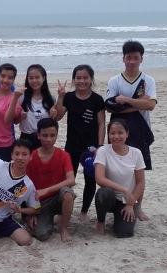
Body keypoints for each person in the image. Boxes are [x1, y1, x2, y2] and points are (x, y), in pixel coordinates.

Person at [106, 40, 157, 221]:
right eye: (129, 58)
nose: (132, 61)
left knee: (138, 172)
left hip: (141, 130)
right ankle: (114, 204)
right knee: (114, 168)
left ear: (141, 59)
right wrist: (138, 102)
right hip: (117, 131)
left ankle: (138, 207)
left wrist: (125, 100)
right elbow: (111, 107)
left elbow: (150, 105)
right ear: (123, 58)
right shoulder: (115, 80)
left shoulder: (148, 80)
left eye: (136, 58)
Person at [56, 64, 105, 222]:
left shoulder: (97, 99)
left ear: (91, 79)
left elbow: (101, 124)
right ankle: (65, 209)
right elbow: (57, 116)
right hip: (72, 146)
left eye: (85, 78)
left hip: (90, 148)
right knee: (68, 179)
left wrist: (99, 147)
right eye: (78, 78)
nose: (82, 81)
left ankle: (84, 211)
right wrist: (61, 96)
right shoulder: (69, 97)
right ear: (73, 79)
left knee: (90, 180)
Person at [26, 118, 76, 242]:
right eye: (45, 135)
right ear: (38, 135)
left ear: (57, 136)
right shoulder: (31, 157)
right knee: (42, 234)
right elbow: (26, 186)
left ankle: (64, 228)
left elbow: (71, 180)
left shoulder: (64, 155)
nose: (48, 139)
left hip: (57, 197)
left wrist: (46, 190)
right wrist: (31, 213)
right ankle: (49, 219)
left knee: (68, 193)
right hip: (40, 203)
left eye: (52, 135)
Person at [94, 119, 146, 237]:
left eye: (120, 133)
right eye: (112, 133)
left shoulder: (136, 153)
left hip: (127, 200)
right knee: (102, 193)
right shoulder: (103, 151)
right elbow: (99, 179)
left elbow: (141, 182)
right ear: (108, 135)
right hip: (111, 196)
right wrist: (124, 189)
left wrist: (130, 204)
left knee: (124, 233)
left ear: (127, 134)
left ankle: (124, 217)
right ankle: (100, 221)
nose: (116, 136)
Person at [18, 64, 57, 150]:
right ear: (27, 79)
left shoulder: (51, 99)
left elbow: (53, 121)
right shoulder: (22, 97)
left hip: (44, 138)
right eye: (31, 78)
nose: (34, 80)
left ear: (43, 78)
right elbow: (15, 119)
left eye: (37, 77)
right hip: (26, 137)